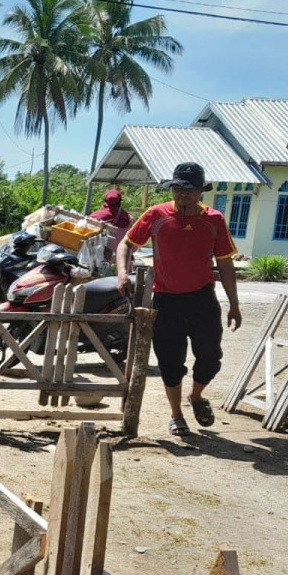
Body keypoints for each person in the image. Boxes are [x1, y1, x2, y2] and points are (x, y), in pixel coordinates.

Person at [116, 162, 241, 437]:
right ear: (172, 189)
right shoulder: (156, 214)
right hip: (166, 299)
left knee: (210, 357)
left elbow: (226, 264)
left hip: (202, 299)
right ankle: (176, 415)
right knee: (171, 361)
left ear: (200, 191)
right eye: (179, 189)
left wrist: (234, 303)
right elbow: (126, 243)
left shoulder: (214, 219)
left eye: (191, 189)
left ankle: (196, 397)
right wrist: (122, 273)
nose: (184, 195)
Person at [90, 188, 132, 262]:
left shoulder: (94, 216)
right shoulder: (129, 218)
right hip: (120, 261)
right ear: (120, 202)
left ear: (105, 201)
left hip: (97, 260)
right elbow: (133, 244)